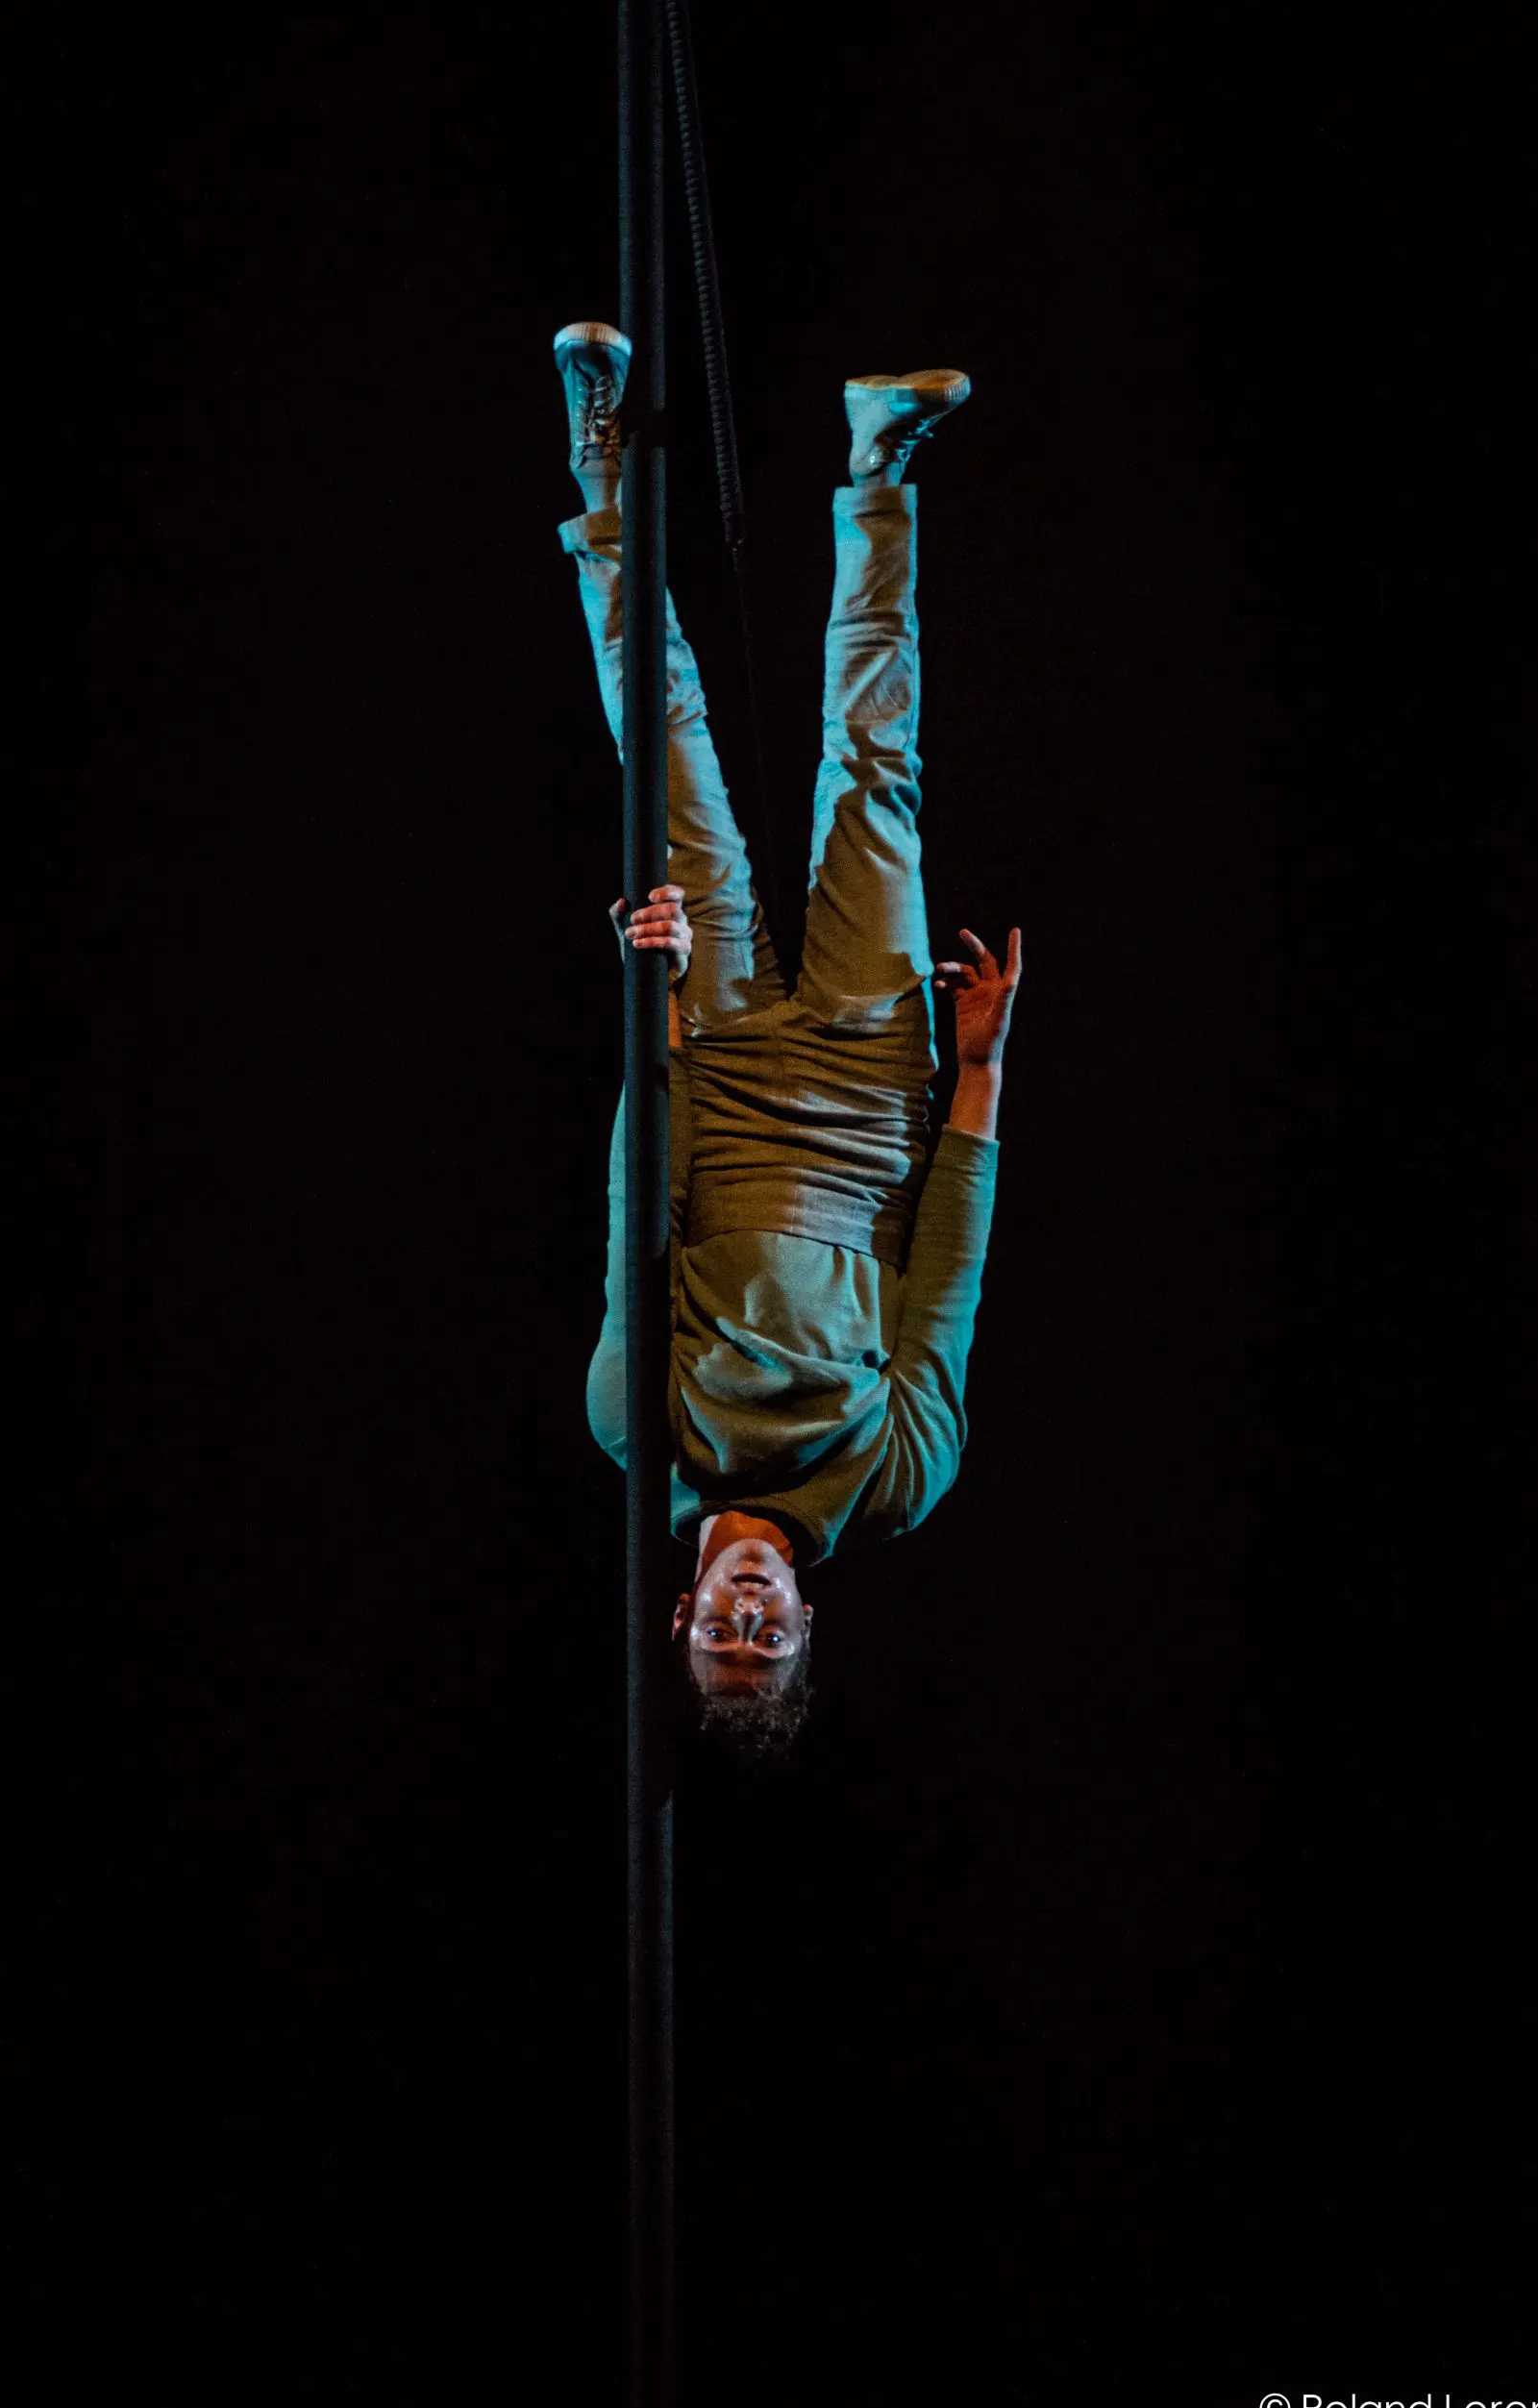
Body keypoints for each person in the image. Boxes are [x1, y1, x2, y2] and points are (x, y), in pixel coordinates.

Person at [556, 319, 1022, 1751]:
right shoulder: (893, 1481)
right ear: (807, 1626)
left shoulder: (646, 1437)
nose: (747, 1621)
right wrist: (984, 1065)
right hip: (876, 1102)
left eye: (721, 1644)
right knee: (877, 775)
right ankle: (880, 462)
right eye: (769, 1645)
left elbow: (650, 1204)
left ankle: (603, 473)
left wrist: (670, 1001)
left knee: (672, 746)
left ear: (683, 1616)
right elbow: (943, 1283)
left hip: (723, 1061)